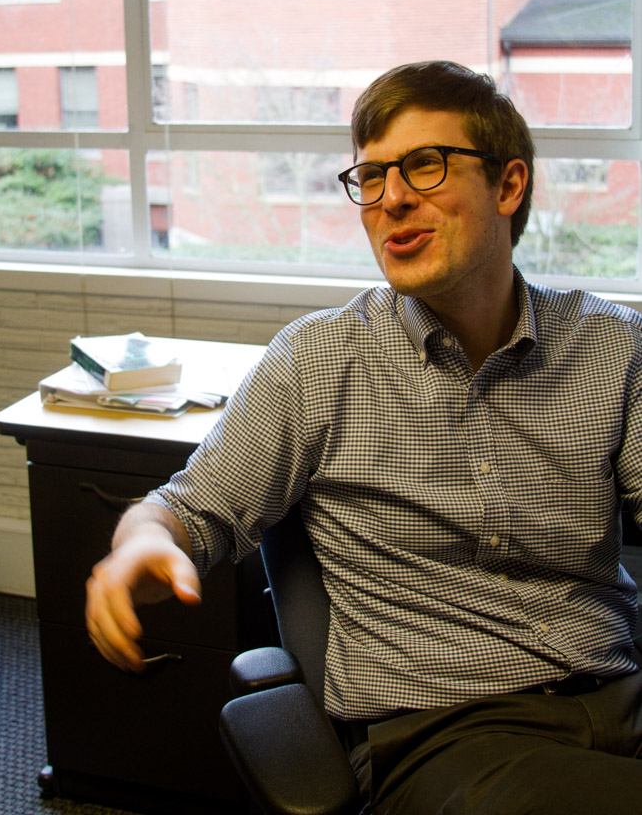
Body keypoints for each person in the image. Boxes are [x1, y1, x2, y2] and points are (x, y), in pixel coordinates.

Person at [86, 60, 642, 814]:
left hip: (620, 689)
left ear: (509, 186)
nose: (392, 199)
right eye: (372, 177)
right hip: (450, 735)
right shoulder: (319, 361)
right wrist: (137, 547)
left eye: (424, 165)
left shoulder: (614, 349)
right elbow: (185, 511)